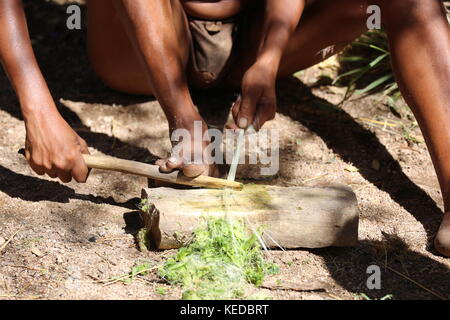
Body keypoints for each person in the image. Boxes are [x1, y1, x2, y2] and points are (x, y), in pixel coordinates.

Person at [0, 0, 449, 256]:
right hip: (136, 47)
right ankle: (183, 114)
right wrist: (39, 108)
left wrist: (269, 59)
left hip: (254, 38)